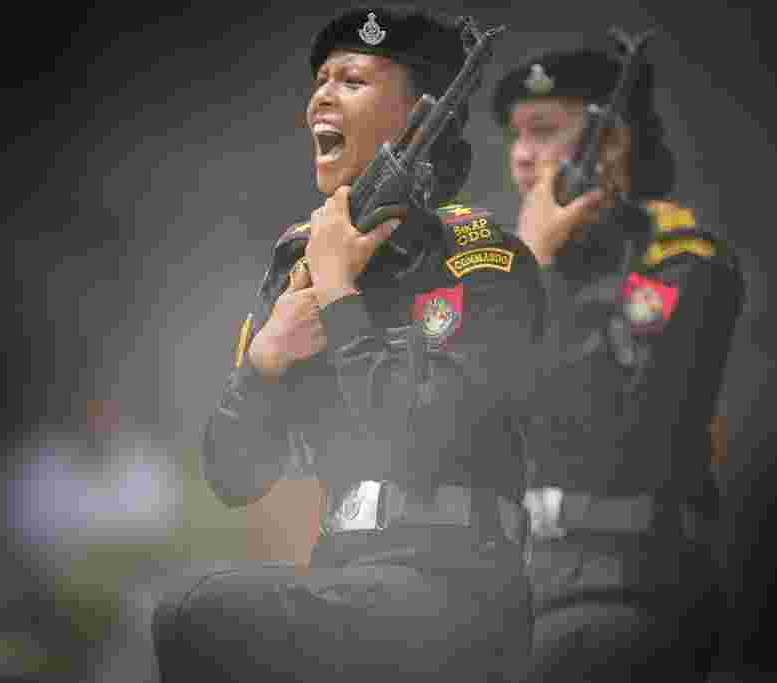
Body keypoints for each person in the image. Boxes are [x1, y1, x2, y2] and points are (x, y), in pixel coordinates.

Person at [152, 6, 545, 682]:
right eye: (320, 80)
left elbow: (422, 436)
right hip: (344, 579)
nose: (320, 96)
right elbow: (233, 474)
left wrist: (339, 296)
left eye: (353, 80)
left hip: (459, 595)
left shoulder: (483, 260)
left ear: (417, 119)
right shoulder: (295, 262)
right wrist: (263, 363)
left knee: (196, 612)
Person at [491, 47, 745, 681]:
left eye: (544, 131)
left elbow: (616, 425)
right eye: (515, 134)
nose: (521, 155)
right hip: (512, 586)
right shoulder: (520, 264)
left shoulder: (682, 261)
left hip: (622, 582)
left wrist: (535, 273)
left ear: (612, 145)